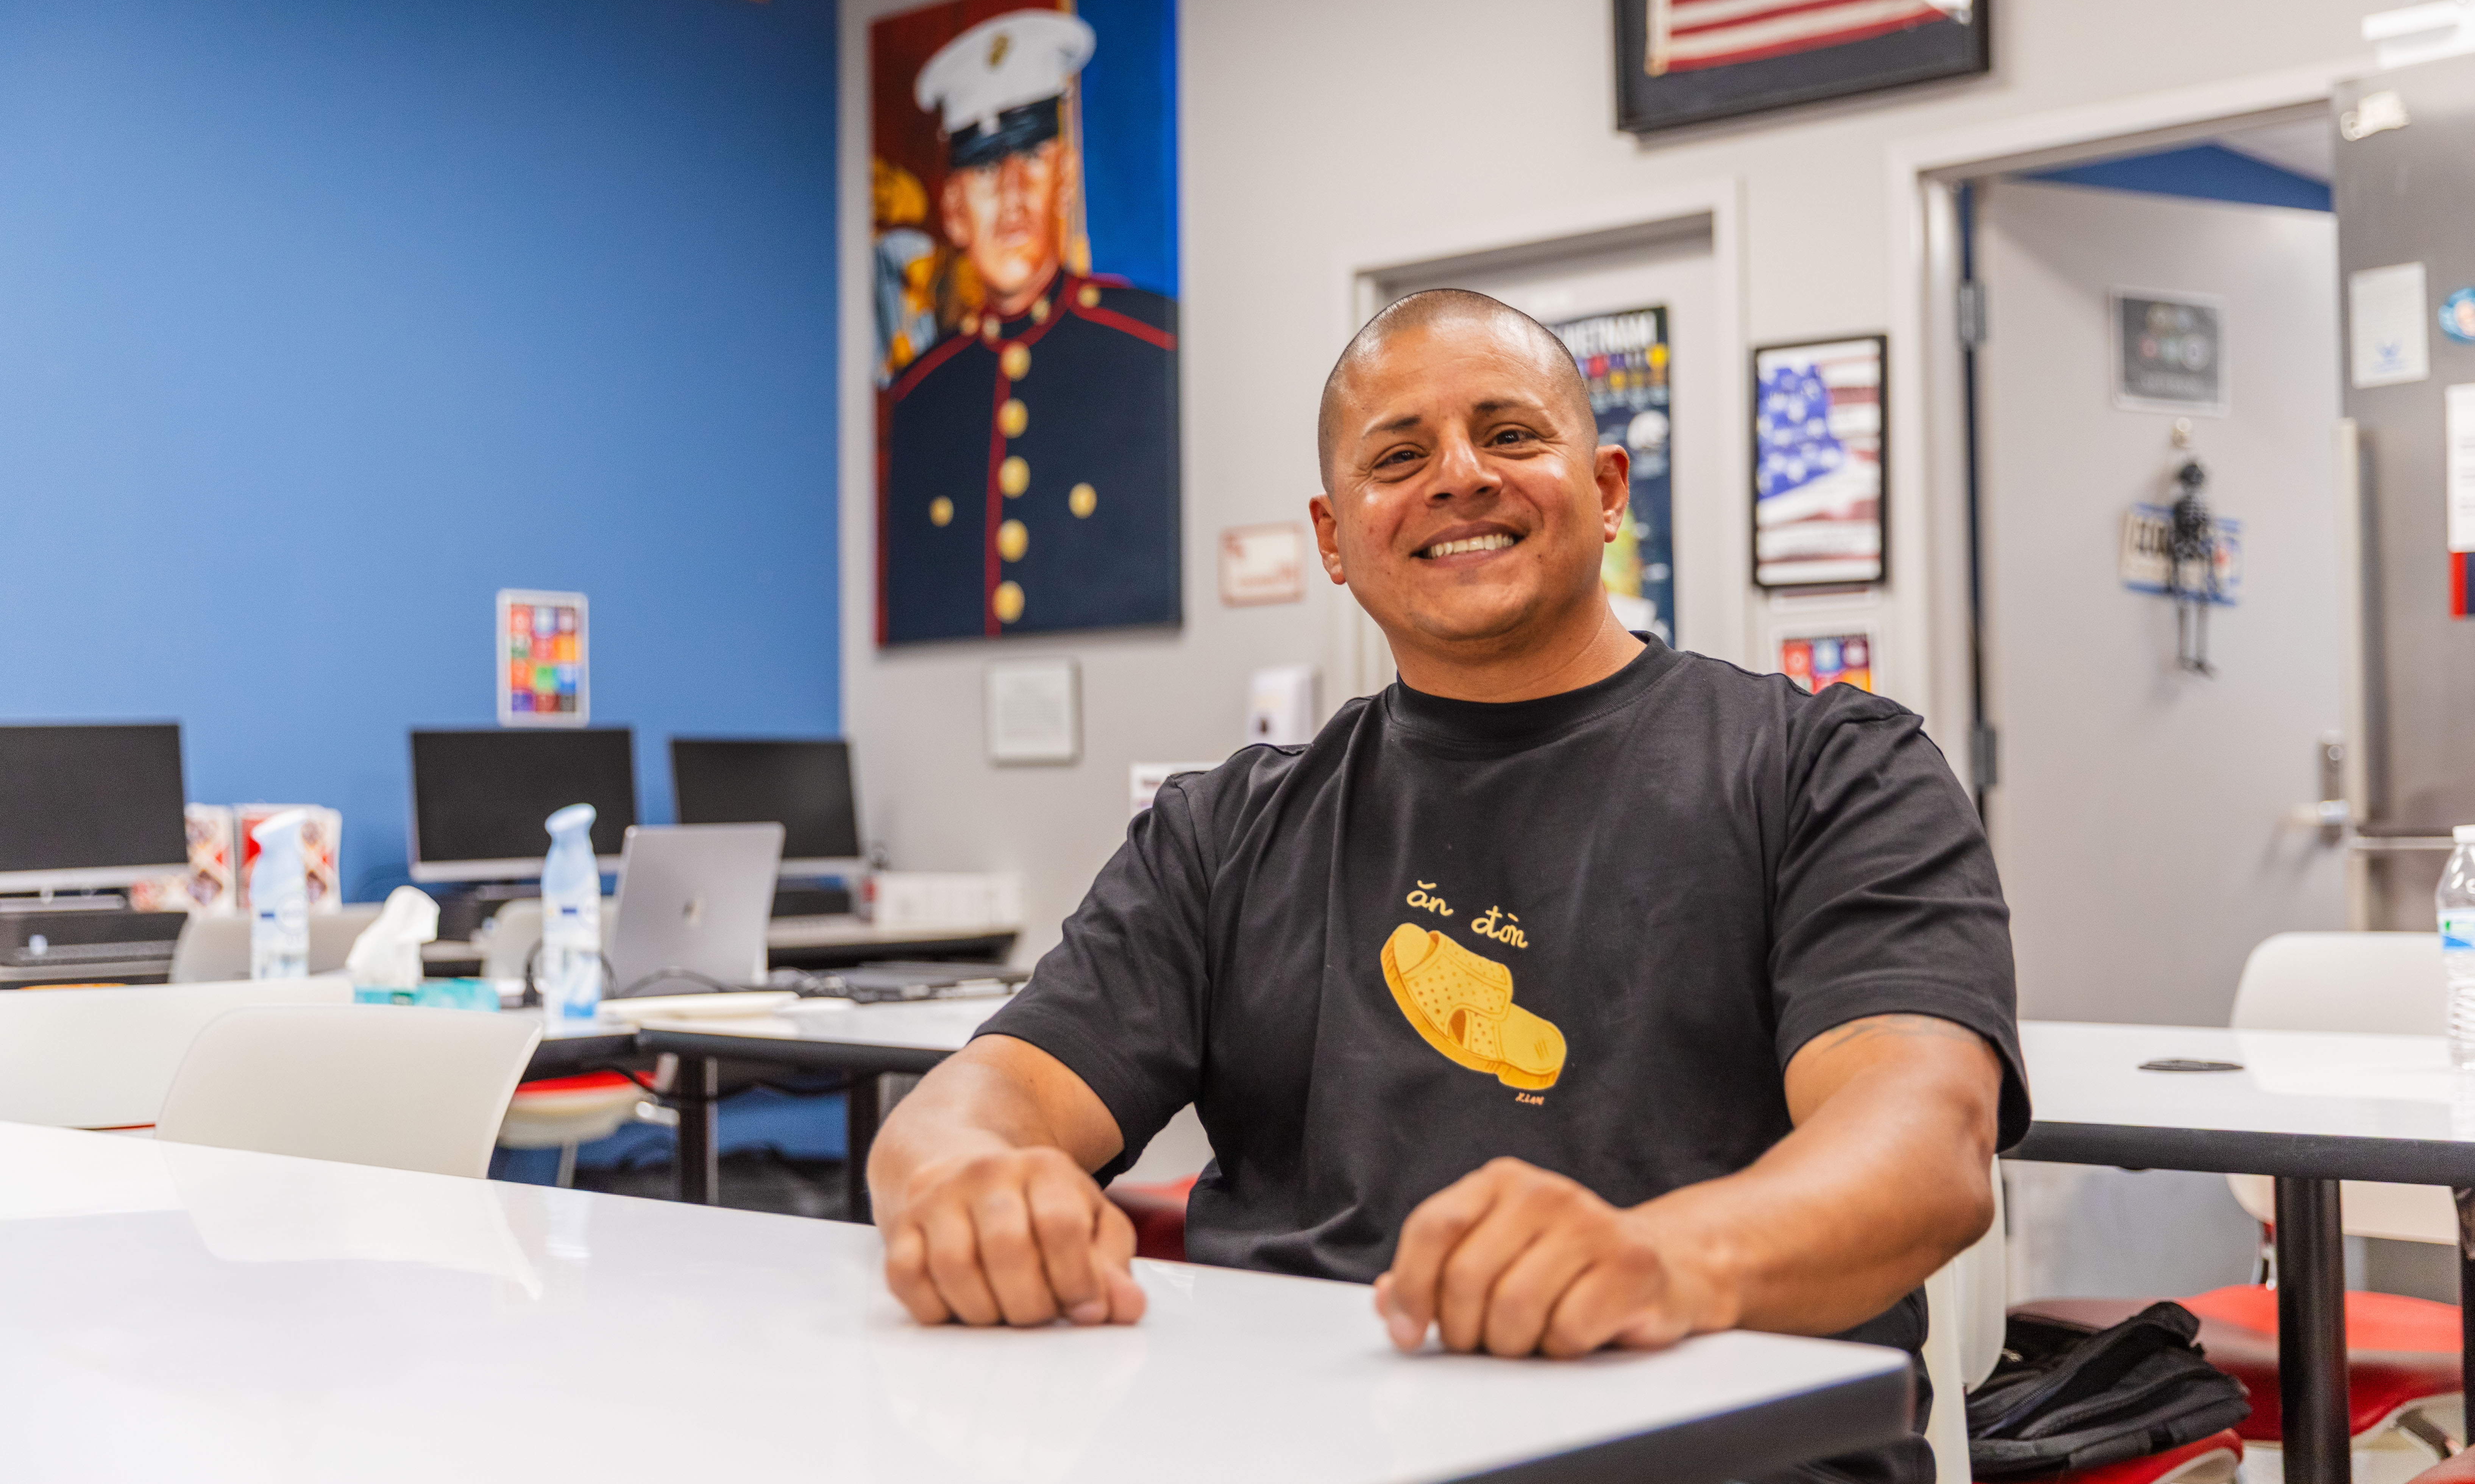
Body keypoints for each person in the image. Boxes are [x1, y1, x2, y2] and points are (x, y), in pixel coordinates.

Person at [868, 289, 2028, 1483]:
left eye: (1511, 434)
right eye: (1400, 455)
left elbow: (1922, 1147)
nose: (1460, 477)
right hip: (1293, 1441)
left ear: (1611, 485)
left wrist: (1661, 1261)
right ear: (1334, 536)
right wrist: (966, 1187)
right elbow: (981, 1100)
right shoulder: (1224, 828)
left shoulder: (1831, 768)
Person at [879, 8, 1180, 644]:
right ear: (955, 211)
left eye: (1032, 159)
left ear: (1065, 180)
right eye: (987, 168)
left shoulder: (1154, 347)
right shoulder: (919, 398)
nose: (1013, 196)